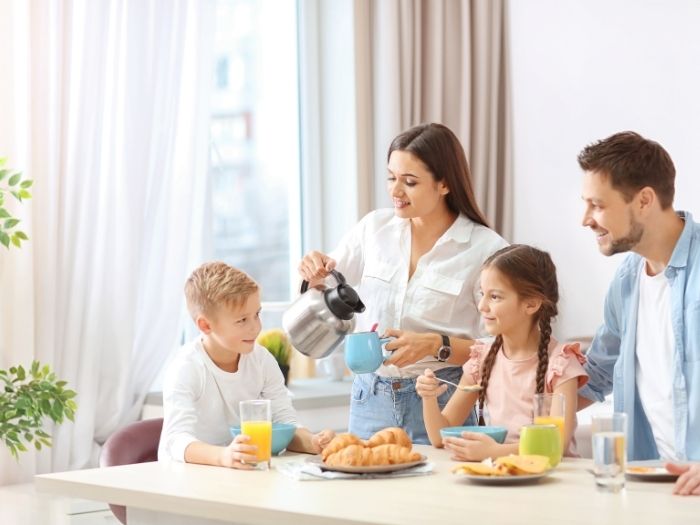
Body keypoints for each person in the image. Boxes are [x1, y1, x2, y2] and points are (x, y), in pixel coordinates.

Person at [297, 123, 508, 444]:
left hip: (441, 398)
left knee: (437, 494)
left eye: (409, 182)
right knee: (364, 487)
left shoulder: (485, 249)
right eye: (391, 177)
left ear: (444, 184)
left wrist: (437, 345)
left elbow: (503, 347)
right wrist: (312, 274)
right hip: (371, 396)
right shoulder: (374, 229)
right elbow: (325, 288)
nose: (395, 191)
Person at [576, 131, 700, 496]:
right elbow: (596, 375)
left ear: (645, 199)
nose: (586, 219)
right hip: (659, 485)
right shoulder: (627, 280)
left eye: (597, 205)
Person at [416, 245, 588, 460]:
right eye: (482, 294)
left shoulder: (560, 363)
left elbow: (556, 444)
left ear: (531, 304)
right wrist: (429, 398)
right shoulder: (483, 359)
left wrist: (495, 452)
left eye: (495, 297)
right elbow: (440, 437)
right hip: (505, 477)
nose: (481, 306)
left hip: (555, 481)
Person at [158, 261, 334, 468]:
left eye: (257, 314)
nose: (255, 328)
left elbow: (285, 422)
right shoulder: (186, 368)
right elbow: (176, 441)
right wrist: (224, 456)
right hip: (188, 479)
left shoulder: (261, 360)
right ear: (206, 325)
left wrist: (314, 442)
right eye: (242, 320)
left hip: (240, 472)